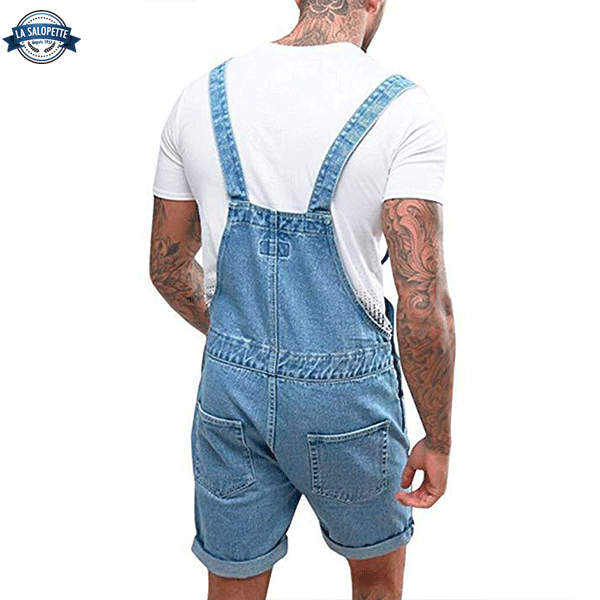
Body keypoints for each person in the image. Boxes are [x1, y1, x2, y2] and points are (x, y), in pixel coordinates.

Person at [150, 1, 455, 598]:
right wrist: (438, 438)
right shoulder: (403, 109)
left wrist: (238, 341)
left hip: (229, 393)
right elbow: (423, 305)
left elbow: (166, 267)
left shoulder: (198, 97)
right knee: (375, 581)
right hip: (348, 401)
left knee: (232, 583)